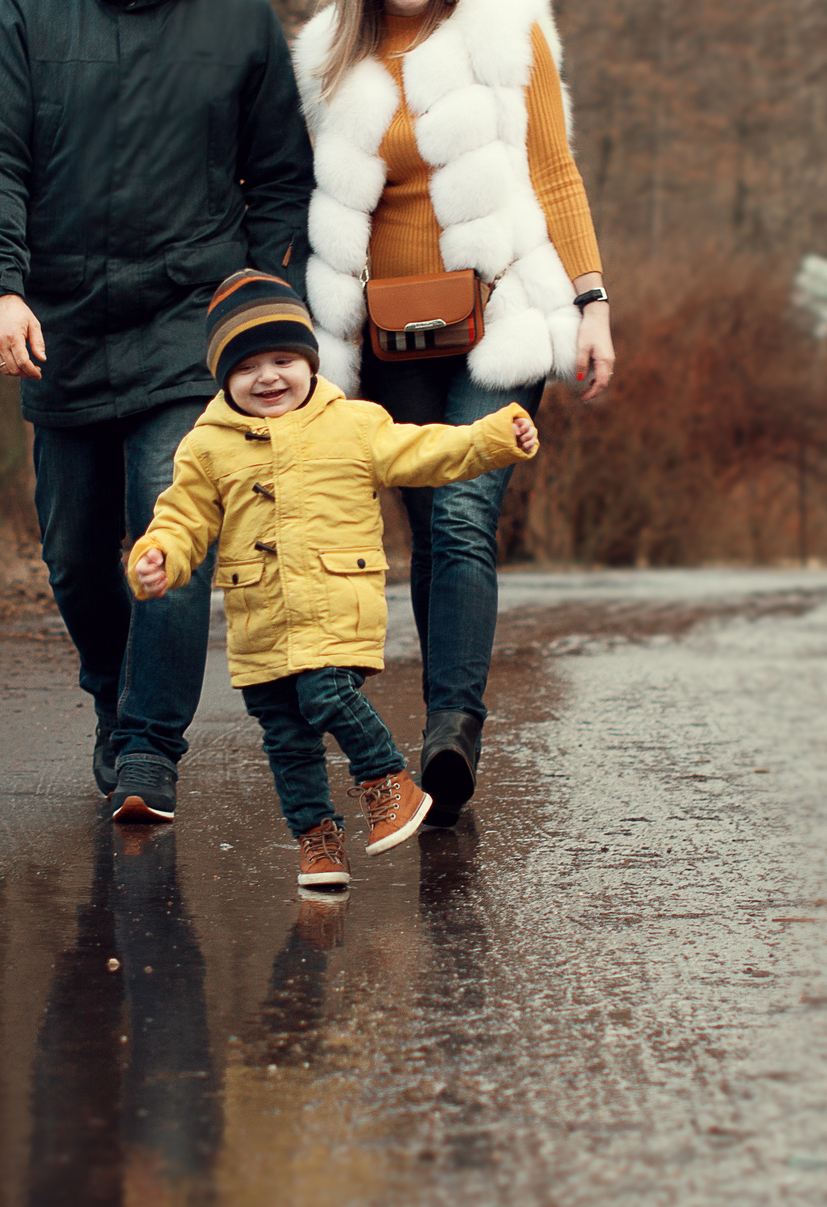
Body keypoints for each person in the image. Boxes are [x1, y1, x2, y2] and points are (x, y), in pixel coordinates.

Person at [0, 0, 315, 822]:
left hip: (184, 329)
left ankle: (152, 747)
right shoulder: (25, 15)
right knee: (76, 555)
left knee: (171, 527)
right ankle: (115, 704)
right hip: (60, 326)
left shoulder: (240, 21)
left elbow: (281, 177)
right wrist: (2, 287)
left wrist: (255, 297)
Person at [287, 0, 614, 827]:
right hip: (383, 341)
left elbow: (554, 170)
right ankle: (445, 717)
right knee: (426, 530)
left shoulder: (506, 25)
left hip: (499, 321)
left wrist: (591, 302)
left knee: (465, 515)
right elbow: (305, 206)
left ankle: (451, 729)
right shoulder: (325, 59)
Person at [127, 272, 539, 884]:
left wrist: (491, 438)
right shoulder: (206, 446)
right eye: (247, 367)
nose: (267, 377)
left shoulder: (353, 423)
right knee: (284, 735)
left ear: (311, 363)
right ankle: (318, 842)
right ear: (223, 378)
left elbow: (423, 452)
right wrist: (159, 554)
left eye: (283, 359)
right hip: (259, 621)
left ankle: (388, 780)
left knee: (325, 694)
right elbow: (183, 517)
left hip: (333, 604)